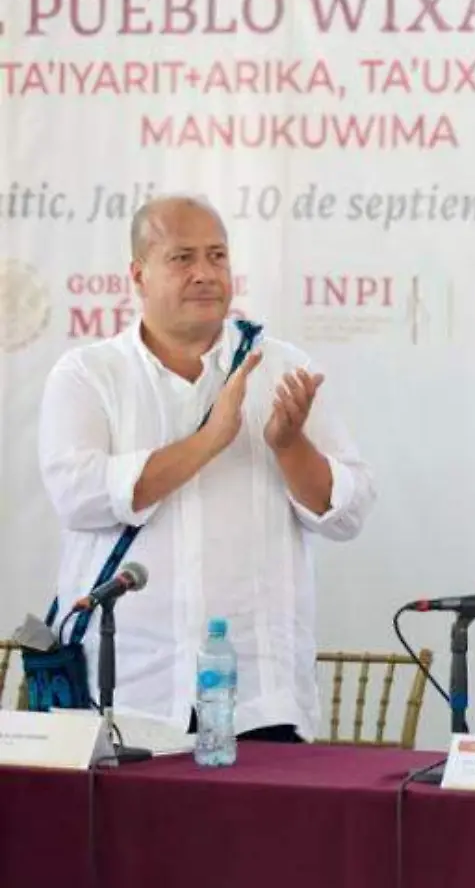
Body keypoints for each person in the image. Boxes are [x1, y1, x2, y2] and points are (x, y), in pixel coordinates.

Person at [38, 195, 374, 741]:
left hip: (259, 702)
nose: (205, 274)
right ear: (138, 274)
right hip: (125, 698)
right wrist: (212, 439)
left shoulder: (283, 368)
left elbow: (348, 512)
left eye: (217, 256)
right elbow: (78, 497)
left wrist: (290, 447)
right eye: (182, 258)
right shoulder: (88, 374)